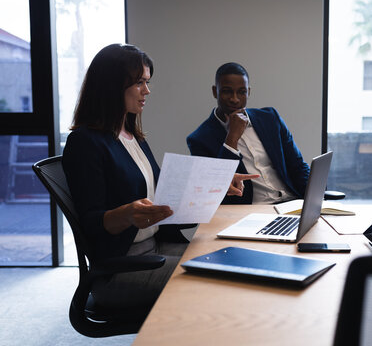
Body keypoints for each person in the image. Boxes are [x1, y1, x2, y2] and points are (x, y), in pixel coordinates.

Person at [62, 44, 256, 311]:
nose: (147, 91)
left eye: (147, 82)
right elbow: (91, 223)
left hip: (157, 247)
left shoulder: (133, 137)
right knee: (223, 280)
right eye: (140, 82)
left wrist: (220, 182)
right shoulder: (84, 142)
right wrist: (127, 214)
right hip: (120, 269)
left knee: (238, 264)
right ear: (112, 85)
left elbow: (167, 193)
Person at [187, 62, 310, 205]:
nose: (235, 99)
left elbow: (298, 166)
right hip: (251, 212)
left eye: (241, 92)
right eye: (227, 91)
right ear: (215, 91)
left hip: (291, 204)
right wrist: (232, 137)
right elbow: (216, 188)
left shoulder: (270, 118)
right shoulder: (199, 139)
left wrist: (316, 201)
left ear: (248, 92)